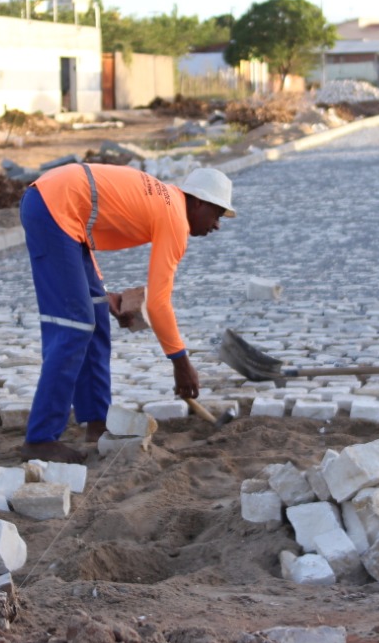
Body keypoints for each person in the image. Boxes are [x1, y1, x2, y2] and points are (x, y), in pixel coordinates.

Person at [19, 163, 235, 463]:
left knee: (95, 317)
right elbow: (158, 303)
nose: (216, 225)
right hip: (53, 207)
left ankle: (97, 424)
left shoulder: (167, 203)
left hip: (62, 208)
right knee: (74, 327)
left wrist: (101, 293)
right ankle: (40, 439)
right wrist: (180, 361)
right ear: (198, 203)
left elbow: (84, 227)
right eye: (217, 214)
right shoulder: (175, 218)